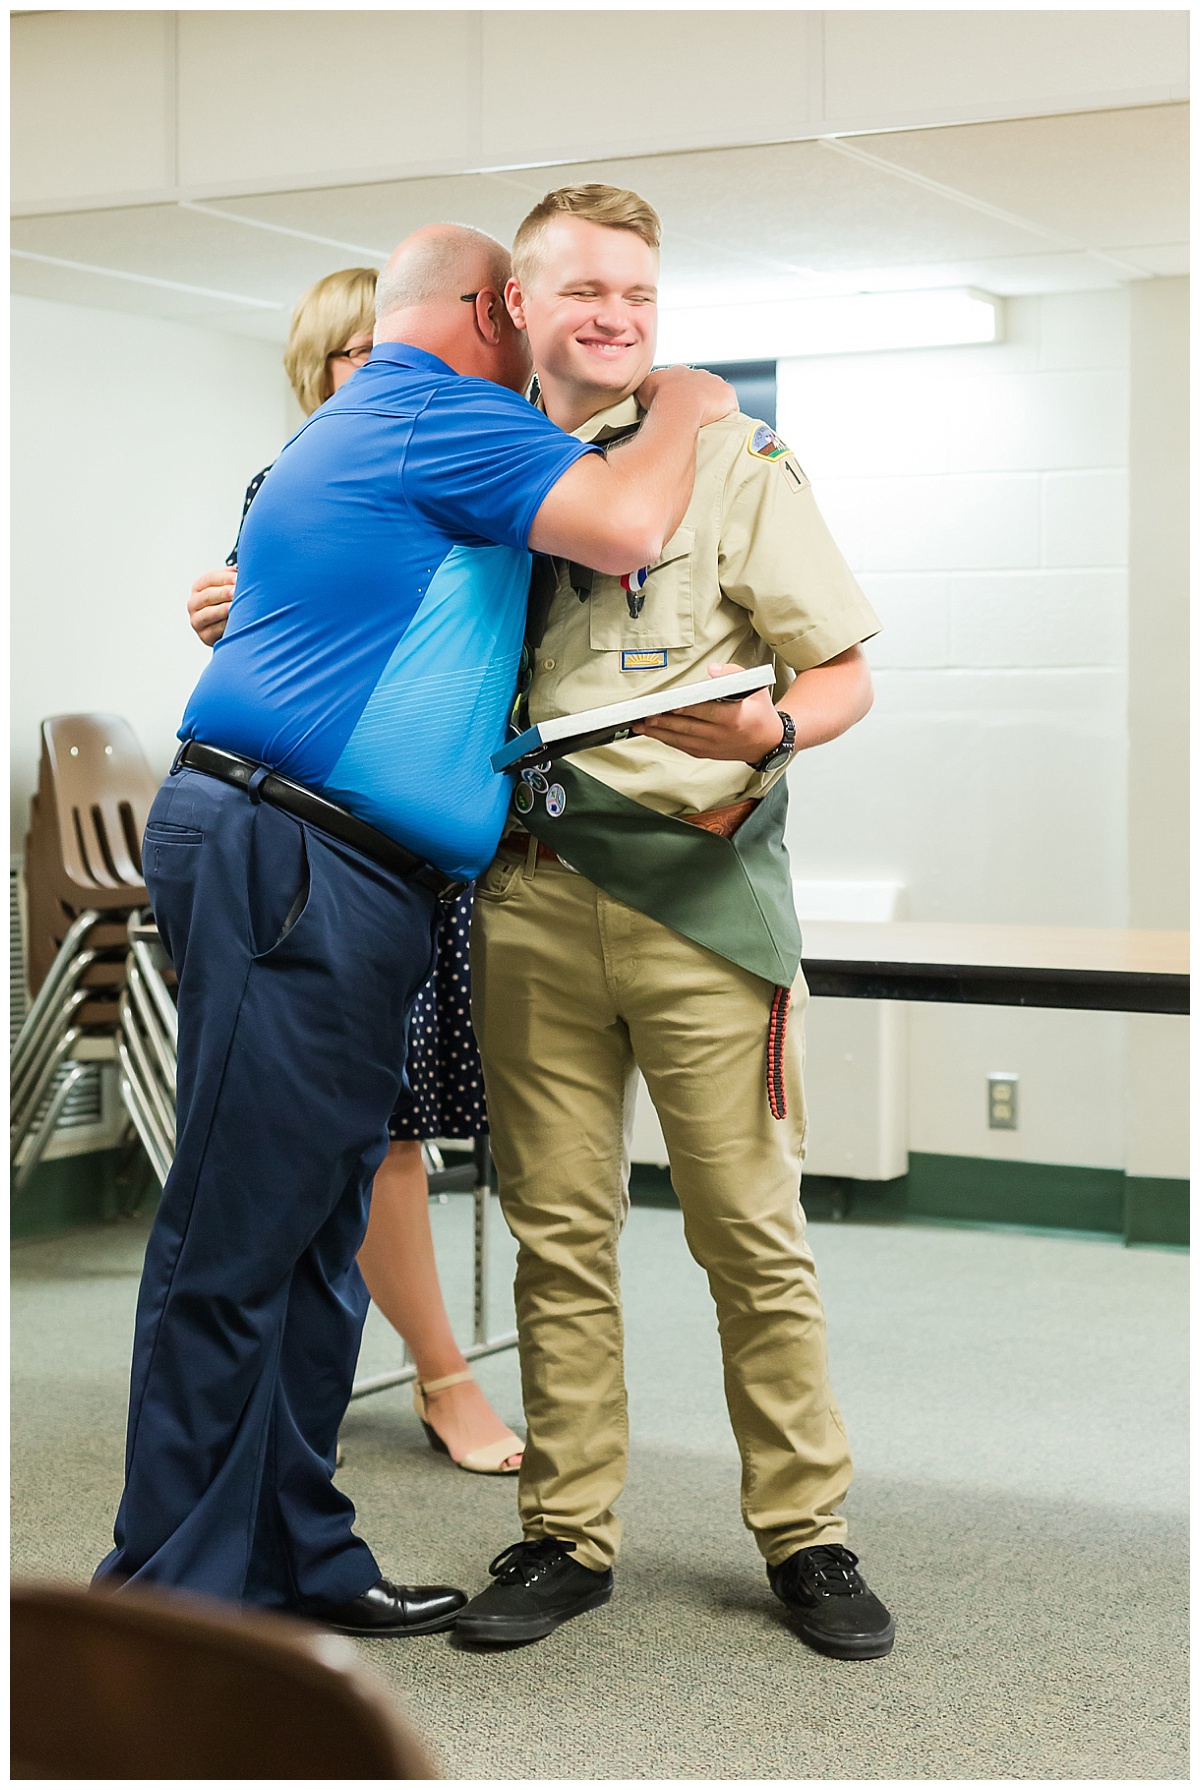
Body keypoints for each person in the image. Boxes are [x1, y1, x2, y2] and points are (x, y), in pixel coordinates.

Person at [94, 219, 736, 1636]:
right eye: (540, 303)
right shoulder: (433, 405)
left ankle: (293, 1558)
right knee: (236, 1237)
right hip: (295, 854)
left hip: (339, 864)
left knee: (316, 1237)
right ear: (485, 311)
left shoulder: (402, 424)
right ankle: (166, 1613)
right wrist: (693, 398)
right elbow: (629, 523)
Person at [453, 187, 896, 1660]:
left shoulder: (729, 457)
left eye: (637, 295)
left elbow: (839, 673)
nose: (616, 318)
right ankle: (565, 1532)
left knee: (749, 1237)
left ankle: (808, 1536)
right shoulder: (475, 450)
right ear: (520, 302)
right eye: (583, 289)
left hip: (697, 898)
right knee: (557, 1234)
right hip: (529, 891)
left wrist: (770, 727)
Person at [189, 266, 521, 1475]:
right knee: (368, 1136)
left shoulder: (465, 454)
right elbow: (274, 640)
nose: (365, 377)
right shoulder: (290, 480)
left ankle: (314, 1451)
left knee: (396, 1130)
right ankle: (443, 1375)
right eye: (341, 360)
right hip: (311, 840)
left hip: (426, 844)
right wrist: (223, 615)